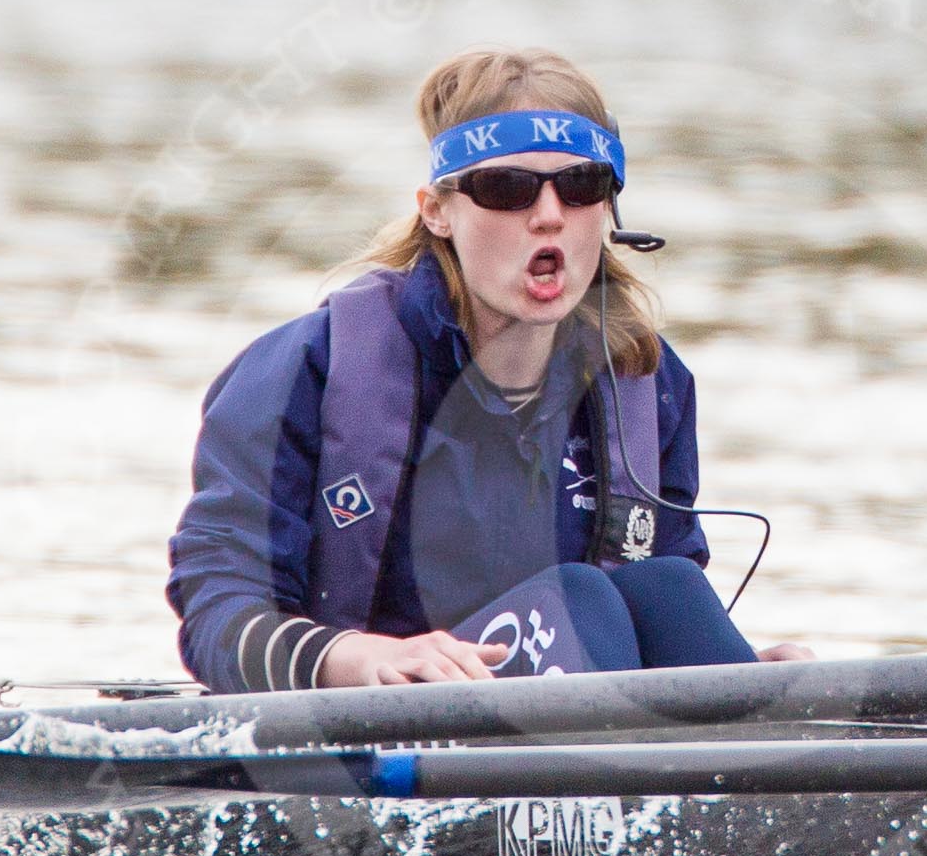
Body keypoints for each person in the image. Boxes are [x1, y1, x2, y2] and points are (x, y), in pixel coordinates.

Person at [167, 47, 807, 691]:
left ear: (608, 210)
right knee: (581, 599)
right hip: (372, 737)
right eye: (507, 188)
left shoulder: (648, 384)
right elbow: (217, 611)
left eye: (581, 185)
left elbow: (660, 617)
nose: (550, 213)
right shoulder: (305, 371)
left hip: (571, 722)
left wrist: (752, 681)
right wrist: (353, 659)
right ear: (437, 211)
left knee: (669, 588)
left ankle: (769, 739)